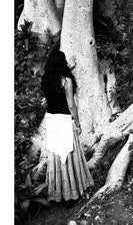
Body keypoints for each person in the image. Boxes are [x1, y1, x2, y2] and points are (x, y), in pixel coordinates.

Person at [41, 49, 94, 202]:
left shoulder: (45, 80)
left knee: (56, 155)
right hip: (64, 119)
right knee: (70, 154)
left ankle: (58, 192)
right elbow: (71, 104)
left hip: (51, 120)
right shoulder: (66, 80)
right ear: (62, 63)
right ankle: (72, 193)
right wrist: (77, 122)